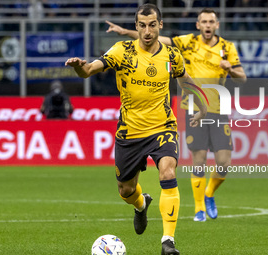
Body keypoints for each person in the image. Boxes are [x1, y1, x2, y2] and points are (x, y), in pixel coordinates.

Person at [65, 4, 207, 254]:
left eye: (152, 25)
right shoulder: (122, 50)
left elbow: (186, 80)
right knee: (126, 190)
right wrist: (79, 65)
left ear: (160, 25)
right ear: (136, 26)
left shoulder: (172, 55)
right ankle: (141, 206)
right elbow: (88, 71)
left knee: (167, 172)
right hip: (130, 132)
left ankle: (168, 242)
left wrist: (201, 105)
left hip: (163, 126)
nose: (147, 31)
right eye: (142, 25)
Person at [106, 7, 247, 222]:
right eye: (204, 21)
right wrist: (125, 32)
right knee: (198, 159)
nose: (208, 25)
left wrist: (231, 69)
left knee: (224, 162)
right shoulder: (187, 42)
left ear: (217, 25)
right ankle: (199, 208)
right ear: (198, 25)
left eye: (211, 21)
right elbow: (153, 37)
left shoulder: (227, 48)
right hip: (193, 107)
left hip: (219, 108)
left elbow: (242, 78)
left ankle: (208, 193)